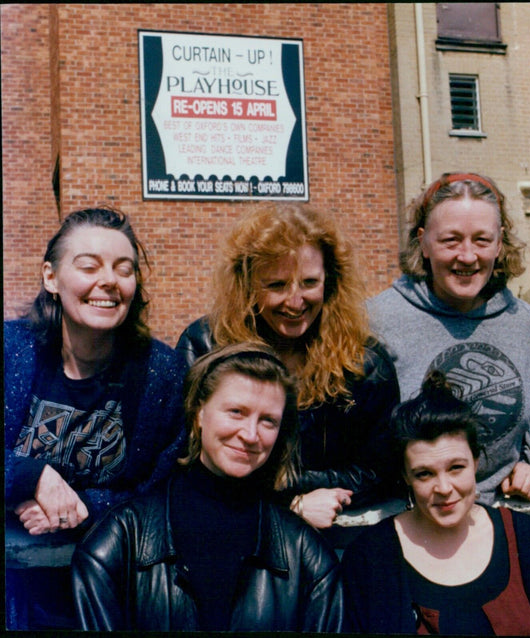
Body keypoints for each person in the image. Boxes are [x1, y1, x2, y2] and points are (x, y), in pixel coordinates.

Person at [71, 342, 343, 631]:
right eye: (236, 411)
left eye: (268, 421)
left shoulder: (308, 558)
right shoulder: (117, 543)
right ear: (199, 413)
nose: (250, 435)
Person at [4, 207, 187, 630]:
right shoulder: (11, 349)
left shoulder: (161, 373)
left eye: (124, 270)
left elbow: (164, 489)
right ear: (51, 277)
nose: (108, 280)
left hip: (109, 591)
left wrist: (81, 506)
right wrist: (32, 477)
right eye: (89, 266)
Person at [176, 203, 400, 529]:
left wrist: (310, 495)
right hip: (230, 521)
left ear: (330, 281)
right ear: (248, 284)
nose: (295, 302)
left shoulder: (365, 362)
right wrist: (289, 503)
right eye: (277, 285)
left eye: (309, 283)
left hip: (335, 529)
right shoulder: (206, 345)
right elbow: (186, 456)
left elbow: (382, 468)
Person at [341, 371, 530, 635]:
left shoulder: (524, 537)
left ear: (476, 462)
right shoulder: (370, 556)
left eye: (456, 468)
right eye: (424, 474)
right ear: (405, 476)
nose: (444, 488)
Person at [368, 172, 530, 506]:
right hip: (407, 518)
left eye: (481, 240)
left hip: (500, 516)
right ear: (423, 242)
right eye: (451, 240)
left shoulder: (522, 321)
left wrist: (528, 464)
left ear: (500, 242)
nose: (467, 256)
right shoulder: (378, 320)